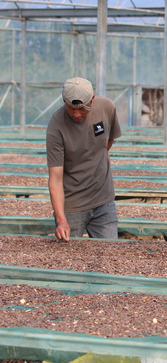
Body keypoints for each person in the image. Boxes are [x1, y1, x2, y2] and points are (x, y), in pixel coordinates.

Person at [46, 77, 122, 241]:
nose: (76, 113)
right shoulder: (56, 125)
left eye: (82, 108)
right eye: (71, 108)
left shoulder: (106, 108)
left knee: (109, 253)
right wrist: (61, 220)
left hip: (103, 198)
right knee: (69, 259)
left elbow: (107, 142)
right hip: (72, 204)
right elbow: (55, 178)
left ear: (92, 99)